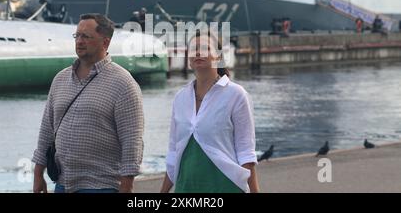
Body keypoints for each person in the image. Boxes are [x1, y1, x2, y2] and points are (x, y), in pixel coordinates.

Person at [32, 13, 144, 193]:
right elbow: (46, 130)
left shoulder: (124, 84)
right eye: (77, 36)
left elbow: (132, 142)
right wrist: (38, 175)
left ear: (105, 42)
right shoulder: (60, 79)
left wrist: (127, 186)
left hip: (101, 186)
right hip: (63, 185)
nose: (80, 41)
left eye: (86, 36)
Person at [160, 30, 260, 193]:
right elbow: (173, 153)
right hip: (186, 188)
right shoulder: (180, 98)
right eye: (193, 49)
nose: (198, 52)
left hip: (226, 187)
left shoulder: (236, 94)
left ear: (219, 57)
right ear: (189, 60)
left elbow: (246, 152)